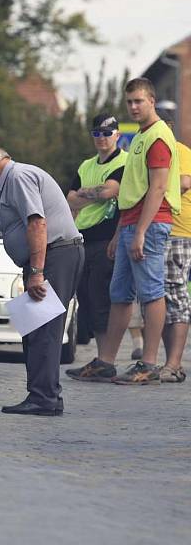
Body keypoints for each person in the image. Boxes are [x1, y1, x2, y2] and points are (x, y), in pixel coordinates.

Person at [67, 77, 181, 384]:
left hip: (151, 222)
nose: (133, 107)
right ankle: (106, 362)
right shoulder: (142, 136)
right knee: (120, 295)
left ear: (152, 101)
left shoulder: (157, 136)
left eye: (139, 101)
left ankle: (149, 363)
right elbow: (132, 191)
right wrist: (121, 233)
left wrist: (141, 230)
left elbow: (158, 187)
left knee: (152, 293)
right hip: (131, 222)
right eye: (129, 102)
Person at [0, 146, 83, 416]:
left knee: (44, 330)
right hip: (52, 256)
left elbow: (37, 224)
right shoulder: (7, 187)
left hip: (56, 255)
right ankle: (46, 395)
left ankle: (43, 398)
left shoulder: (19, 178)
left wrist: (36, 271)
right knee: (34, 330)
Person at [65, 113, 127, 360]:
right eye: (97, 133)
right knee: (87, 300)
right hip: (84, 238)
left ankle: (105, 359)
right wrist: (97, 192)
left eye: (107, 133)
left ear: (117, 135)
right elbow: (70, 197)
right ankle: (101, 358)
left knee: (101, 300)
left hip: (107, 238)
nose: (102, 138)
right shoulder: (86, 165)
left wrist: (85, 193)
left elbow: (111, 191)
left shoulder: (124, 162)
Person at [156, 107, 189, 383]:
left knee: (175, 295)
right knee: (160, 299)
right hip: (160, 229)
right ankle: (170, 363)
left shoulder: (180, 151)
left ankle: (174, 363)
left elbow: (184, 183)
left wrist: (152, 185)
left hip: (178, 232)